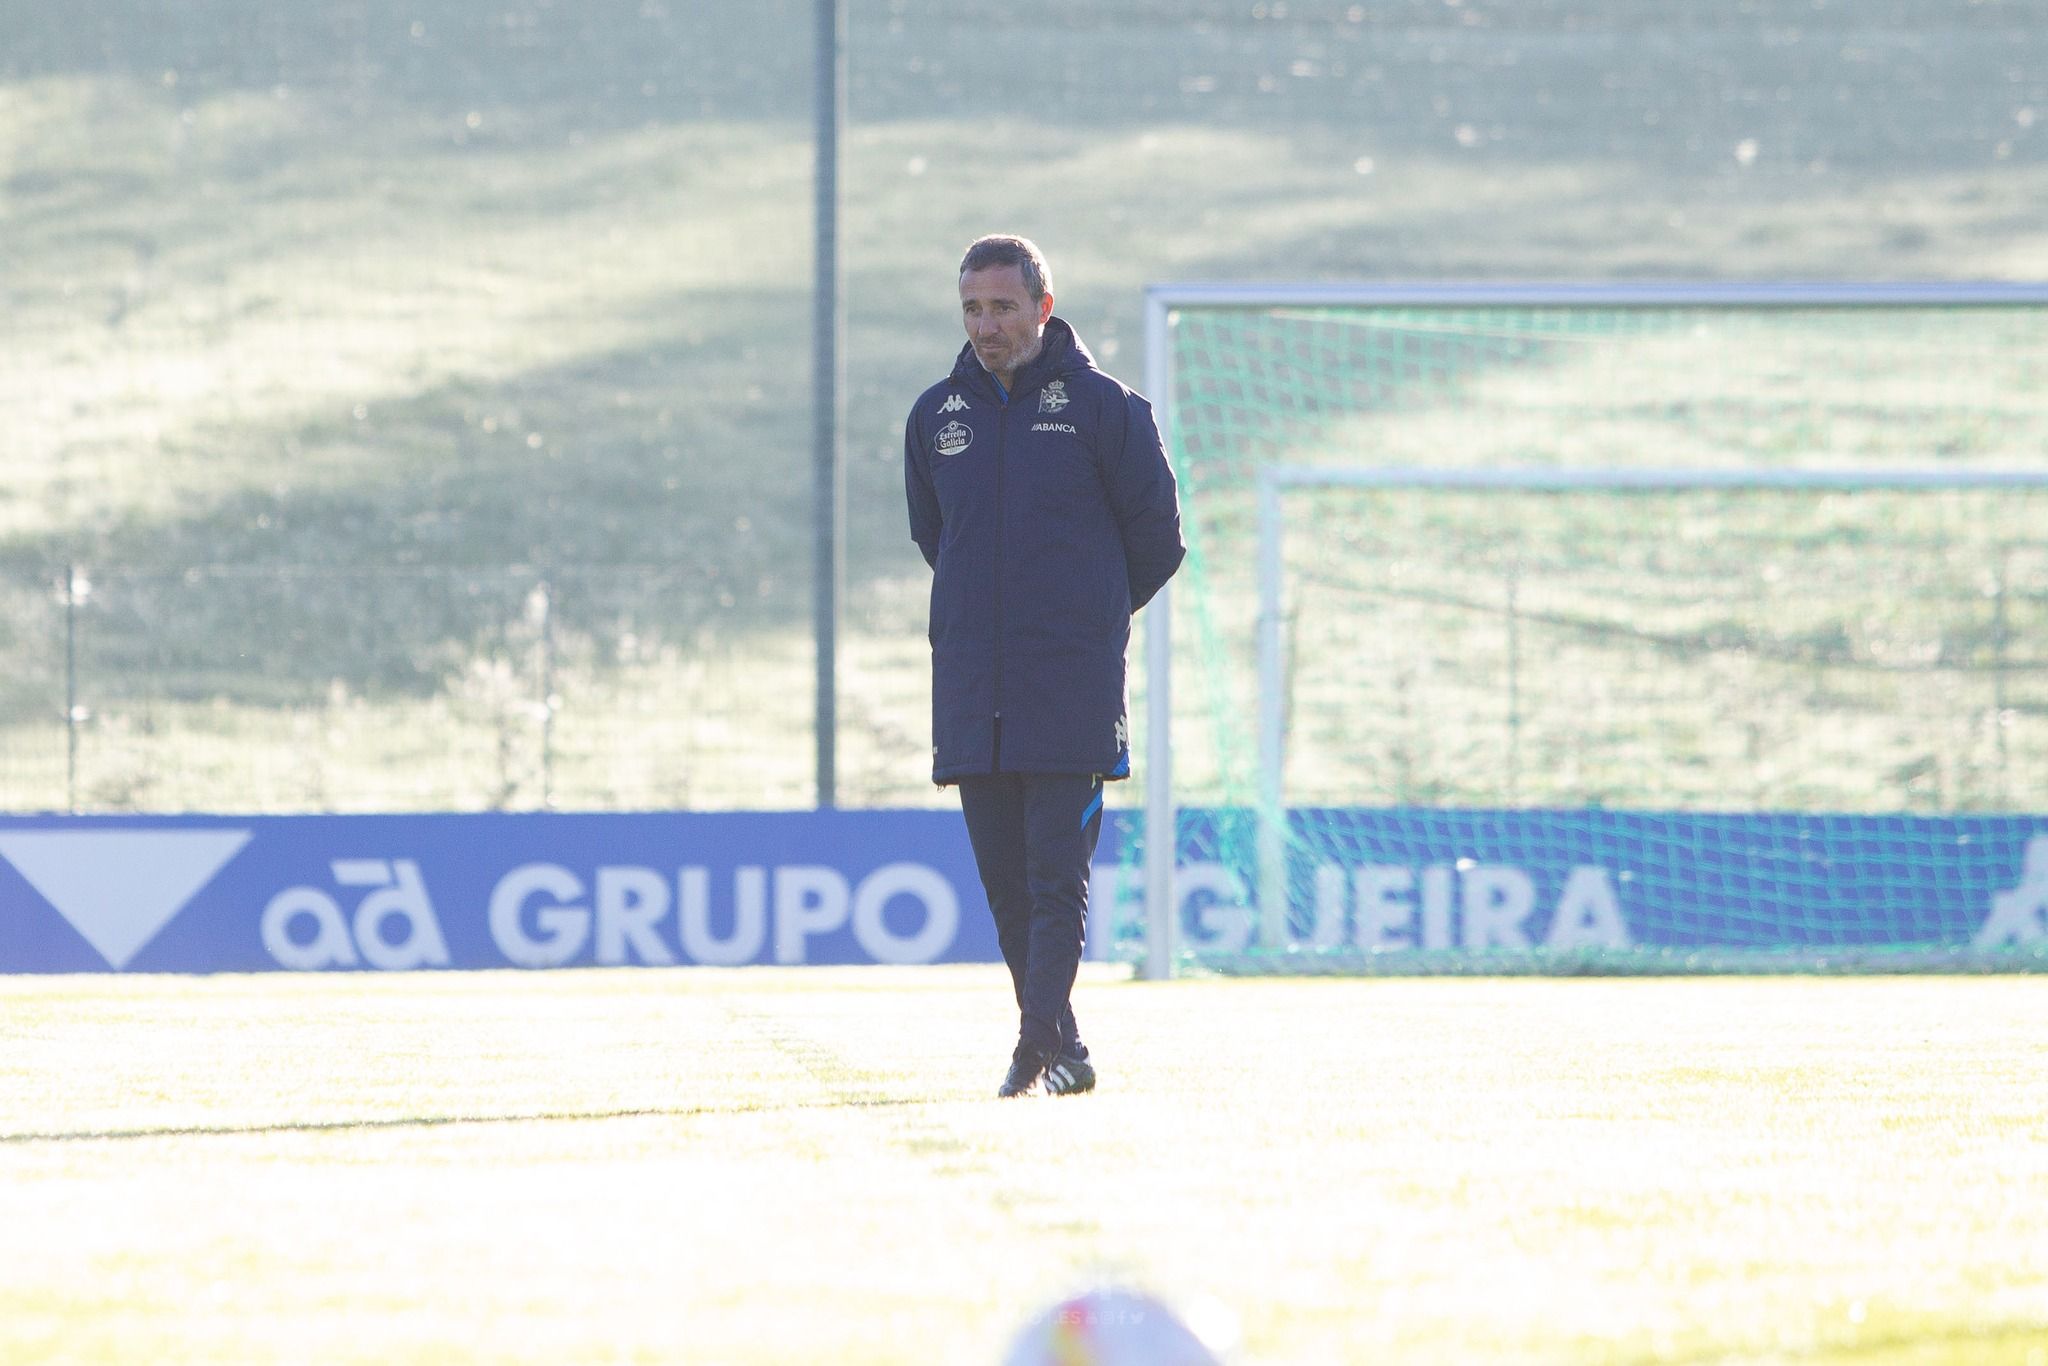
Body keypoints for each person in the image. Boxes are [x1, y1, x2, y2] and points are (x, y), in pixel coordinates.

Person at [904, 235, 1185, 1098]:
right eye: (972, 310)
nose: (986, 326)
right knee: (1006, 889)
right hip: (972, 686)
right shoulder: (935, 418)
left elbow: (1158, 544)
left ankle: (1036, 1048)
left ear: (1043, 308)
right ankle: (1059, 1044)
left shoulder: (1107, 410)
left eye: (1003, 307)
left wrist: (1082, 619)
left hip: (1069, 685)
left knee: (1055, 877)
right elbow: (934, 540)